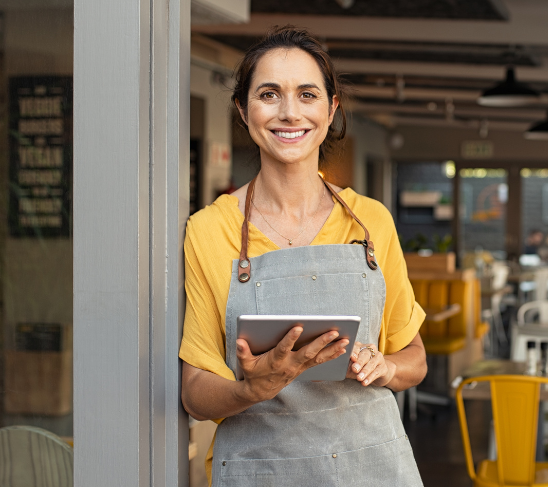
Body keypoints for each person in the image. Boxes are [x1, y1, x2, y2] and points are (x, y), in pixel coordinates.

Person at [179, 26, 426, 486]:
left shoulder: (371, 222)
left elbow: (413, 355)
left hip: (371, 467)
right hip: (261, 471)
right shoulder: (209, 230)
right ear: (242, 109)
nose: (289, 113)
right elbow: (194, 393)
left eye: (307, 94)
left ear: (331, 109)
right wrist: (253, 387)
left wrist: (387, 367)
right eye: (269, 94)